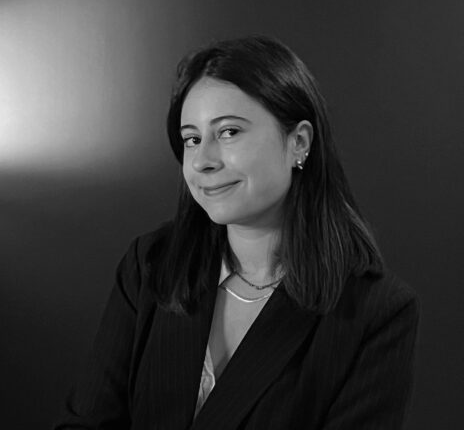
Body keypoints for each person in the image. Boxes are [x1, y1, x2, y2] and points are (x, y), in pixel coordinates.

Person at [54, 36, 419, 429]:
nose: (203, 161)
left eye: (228, 132)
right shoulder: (150, 265)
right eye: (192, 139)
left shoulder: (376, 312)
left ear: (298, 142)